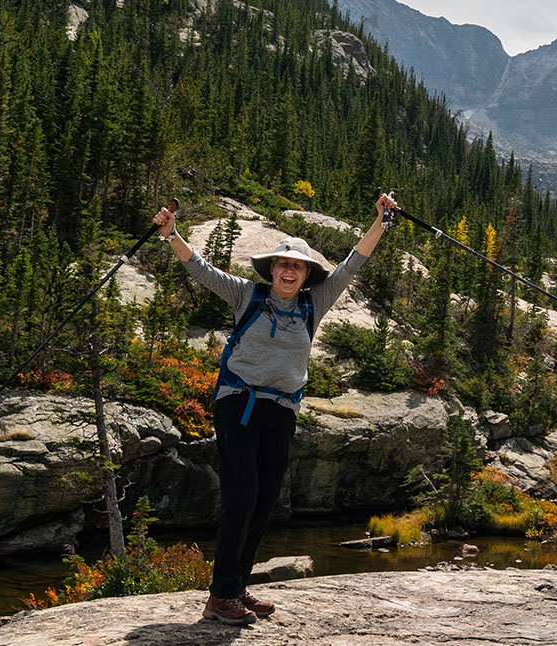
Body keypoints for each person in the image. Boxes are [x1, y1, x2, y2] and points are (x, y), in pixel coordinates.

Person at [152, 193, 397, 625]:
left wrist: (380, 221)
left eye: (297, 266)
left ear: (306, 275)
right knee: (242, 497)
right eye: (283, 264)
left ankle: (237, 587)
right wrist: (172, 235)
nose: (289, 270)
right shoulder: (246, 294)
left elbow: (353, 262)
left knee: (264, 503)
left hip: (281, 411)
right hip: (237, 405)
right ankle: (220, 595)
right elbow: (200, 269)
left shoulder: (313, 303)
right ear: (272, 269)